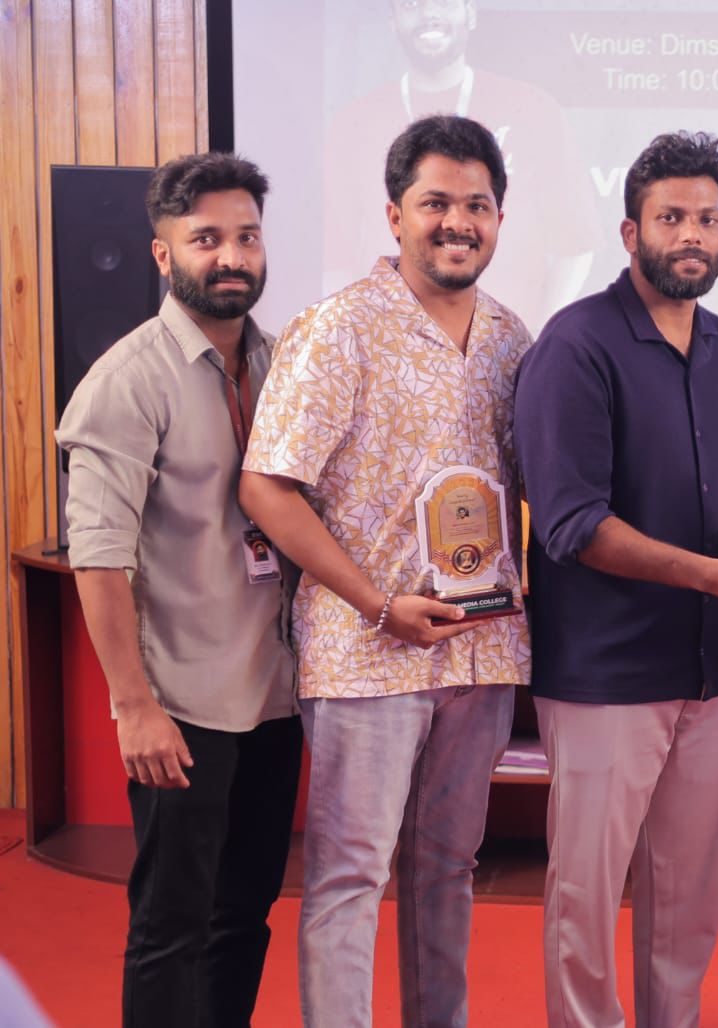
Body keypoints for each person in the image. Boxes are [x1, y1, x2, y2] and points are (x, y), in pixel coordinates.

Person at [514, 130, 718, 1028]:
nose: (692, 235)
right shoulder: (575, 346)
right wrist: (715, 578)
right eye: (671, 217)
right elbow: (571, 524)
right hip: (606, 670)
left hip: (716, 670)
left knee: (690, 899)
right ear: (630, 231)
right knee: (586, 895)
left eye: (708, 220)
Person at [239, 115, 532, 1027]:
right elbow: (266, 486)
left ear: (499, 217)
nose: (458, 222)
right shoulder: (339, 328)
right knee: (350, 874)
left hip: (481, 650)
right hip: (367, 650)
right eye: (435, 202)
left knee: (448, 868)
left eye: (476, 205)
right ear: (395, 214)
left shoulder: (512, 338)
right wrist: (376, 603)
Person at [56, 152, 300, 1027]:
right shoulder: (128, 380)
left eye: (247, 237)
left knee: (243, 916)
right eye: (206, 240)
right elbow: (97, 558)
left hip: (274, 698)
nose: (231, 257)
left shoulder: (280, 363)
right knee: (171, 925)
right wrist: (134, 707)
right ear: (163, 254)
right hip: (183, 707)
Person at [323, 0, 596, 329]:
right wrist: (354, 330)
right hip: (382, 337)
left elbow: (576, 244)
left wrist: (539, 337)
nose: (429, 13)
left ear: (470, 12)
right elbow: (335, 256)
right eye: (411, 4)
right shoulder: (354, 122)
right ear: (393, 20)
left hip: (508, 348)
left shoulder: (532, 107)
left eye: (444, 2)